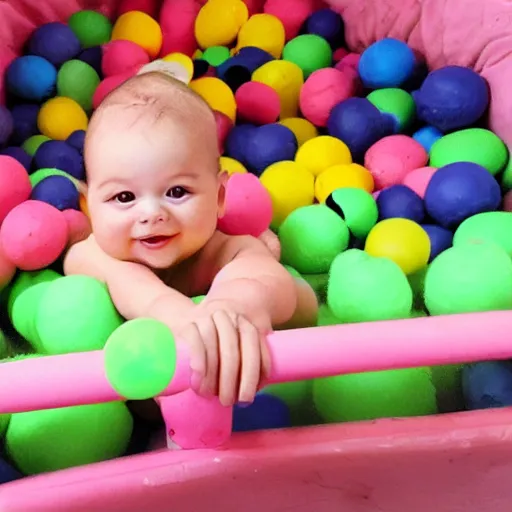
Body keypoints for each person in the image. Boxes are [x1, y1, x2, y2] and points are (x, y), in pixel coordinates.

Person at [64, 70, 319, 410]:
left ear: (218, 196)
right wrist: (168, 309)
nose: (152, 214)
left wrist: (232, 307)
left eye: (177, 191)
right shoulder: (96, 252)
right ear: (89, 207)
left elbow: (265, 278)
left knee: (294, 288)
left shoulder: (229, 248)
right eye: (124, 197)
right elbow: (98, 269)